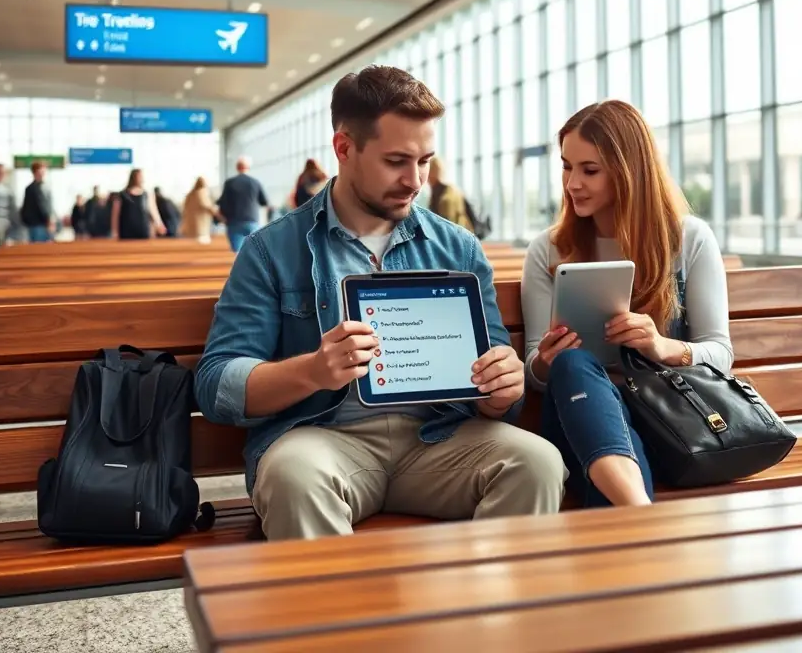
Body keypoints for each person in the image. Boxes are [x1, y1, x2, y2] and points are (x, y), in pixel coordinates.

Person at [196, 65, 565, 541]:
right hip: (323, 440)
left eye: (425, 160)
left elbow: (495, 390)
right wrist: (311, 370)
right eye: (396, 161)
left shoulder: (458, 248)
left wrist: (502, 388)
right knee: (293, 477)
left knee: (537, 462)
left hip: (439, 440)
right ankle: (346, 616)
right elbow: (215, 383)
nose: (415, 180)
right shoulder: (271, 249)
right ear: (345, 149)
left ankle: (482, 614)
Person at [521, 100, 733, 508]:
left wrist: (662, 346)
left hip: (670, 425)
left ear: (628, 171)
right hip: (578, 420)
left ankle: (634, 522)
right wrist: (546, 361)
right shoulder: (548, 251)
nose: (572, 183)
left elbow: (721, 353)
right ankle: (641, 516)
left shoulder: (689, 240)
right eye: (566, 166)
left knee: (608, 460)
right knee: (573, 364)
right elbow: (534, 368)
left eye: (590, 170)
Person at [218, 156, 270, 252]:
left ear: (237, 167)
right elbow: (264, 202)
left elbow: (223, 202)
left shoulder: (229, 183)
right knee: (253, 251)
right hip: (252, 221)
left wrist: (223, 217)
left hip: (234, 222)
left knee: (237, 252)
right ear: (248, 167)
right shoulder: (255, 182)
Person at [111, 168, 165, 240]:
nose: (140, 179)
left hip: (143, 228)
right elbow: (115, 214)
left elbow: (153, 211)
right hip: (126, 230)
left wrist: (159, 224)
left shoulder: (147, 194)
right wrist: (114, 231)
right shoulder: (122, 195)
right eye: (139, 176)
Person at [426, 156, 474, 231]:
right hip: (462, 235)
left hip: (451, 238)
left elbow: (445, 227)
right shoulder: (454, 190)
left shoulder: (442, 196)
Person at [20, 161, 55, 243]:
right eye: (41, 171)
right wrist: (49, 220)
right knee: (39, 248)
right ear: (35, 172)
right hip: (38, 224)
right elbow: (42, 206)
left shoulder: (44, 187)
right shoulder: (33, 188)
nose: (43, 173)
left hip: (42, 224)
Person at [181, 177, 218, 241]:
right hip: (200, 229)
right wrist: (219, 215)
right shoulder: (201, 193)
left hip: (189, 228)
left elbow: (184, 209)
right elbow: (208, 207)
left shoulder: (190, 195)